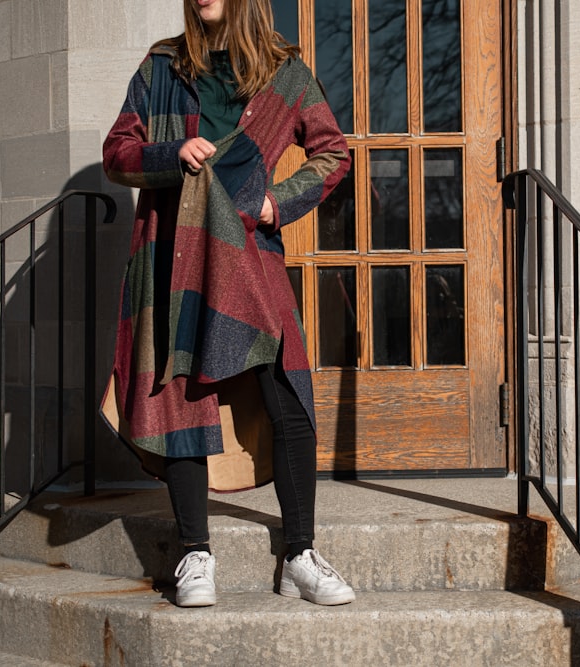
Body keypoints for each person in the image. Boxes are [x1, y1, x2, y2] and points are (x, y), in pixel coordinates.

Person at [101, 0, 354, 608]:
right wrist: (171, 152)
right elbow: (116, 151)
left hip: (248, 255)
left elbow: (333, 152)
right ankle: (195, 553)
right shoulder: (162, 67)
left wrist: (277, 204)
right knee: (180, 394)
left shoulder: (283, 70)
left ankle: (300, 553)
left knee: (288, 392)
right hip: (175, 254)